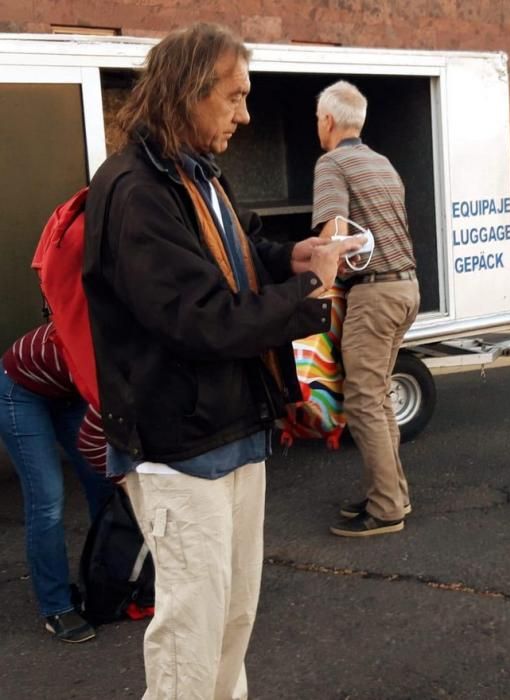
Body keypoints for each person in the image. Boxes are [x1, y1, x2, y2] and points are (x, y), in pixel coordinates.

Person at [82, 23, 360, 699]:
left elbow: (240, 255)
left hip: (232, 428)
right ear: (186, 92)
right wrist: (311, 290)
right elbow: (202, 320)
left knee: (231, 619)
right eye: (234, 97)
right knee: (191, 632)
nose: (245, 114)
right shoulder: (136, 190)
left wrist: (293, 257)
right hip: (180, 445)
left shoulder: (194, 173)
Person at [311, 80, 419, 538]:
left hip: (374, 295)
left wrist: (314, 290)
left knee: (362, 401)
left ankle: (388, 507)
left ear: (329, 121)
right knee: (375, 398)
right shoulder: (382, 161)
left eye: (319, 120)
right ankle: (392, 493)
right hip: (406, 287)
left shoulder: (332, 162)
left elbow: (334, 234)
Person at [0, 323, 114, 643]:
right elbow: (103, 430)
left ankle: (106, 584)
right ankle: (56, 606)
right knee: (47, 499)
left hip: (69, 389)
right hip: (19, 391)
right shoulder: (107, 338)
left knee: (103, 486)